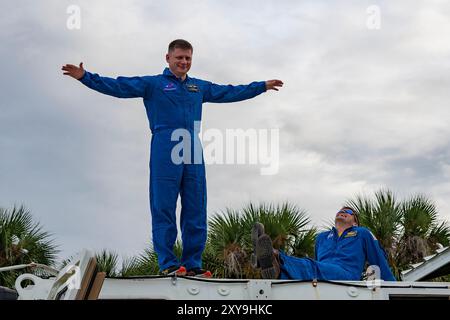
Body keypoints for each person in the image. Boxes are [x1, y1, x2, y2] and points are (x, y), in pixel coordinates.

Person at [62, 39, 283, 277]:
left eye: (188, 58)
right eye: (179, 57)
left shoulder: (199, 87)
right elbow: (117, 86)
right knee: (163, 206)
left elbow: (229, 91)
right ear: (168, 58)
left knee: (196, 208)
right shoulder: (153, 84)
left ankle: (192, 264)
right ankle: (168, 263)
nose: (184, 62)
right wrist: (85, 77)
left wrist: (260, 86)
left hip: (192, 147)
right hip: (165, 144)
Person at [252, 206, 396, 281]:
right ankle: (271, 268)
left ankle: (273, 256)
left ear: (355, 222)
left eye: (348, 211)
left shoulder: (362, 233)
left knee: (311, 266)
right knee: (310, 268)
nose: (342, 212)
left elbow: (378, 260)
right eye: (340, 211)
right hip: (324, 273)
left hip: (346, 274)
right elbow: (318, 262)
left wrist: (393, 289)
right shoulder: (321, 237)